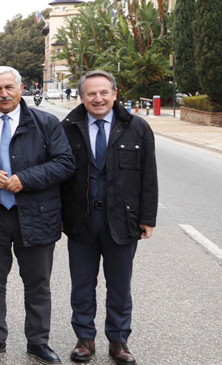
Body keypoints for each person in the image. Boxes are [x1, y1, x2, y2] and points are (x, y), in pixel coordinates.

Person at [0, 66, 74, 364]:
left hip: (37, 214)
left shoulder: (46, 123)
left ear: (21, 89)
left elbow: (65, 162)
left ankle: (38, 342)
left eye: (9, 87)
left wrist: (26, 178)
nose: (3, 94)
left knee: (37, 284)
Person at [60, 70, 157, 365]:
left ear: (115, 94)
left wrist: (147, 218)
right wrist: (59, 216)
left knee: (119, 286)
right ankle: (84, 339)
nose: (98, 98)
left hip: (122, 221)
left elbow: (148, 176)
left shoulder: (137, 128)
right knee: (82, 285)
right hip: (82, 220)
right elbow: (59, 177)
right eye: (91, 93)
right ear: (81, 97)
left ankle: (118, 340)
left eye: (104, 92)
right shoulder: (68, 128)